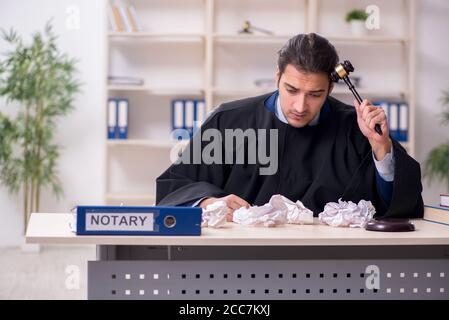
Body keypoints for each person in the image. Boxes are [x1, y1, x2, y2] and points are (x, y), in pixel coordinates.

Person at [156, 33, 424, 220]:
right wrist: (207, 203)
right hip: (238, 257)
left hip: (332, 264)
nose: (300, 105)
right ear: (277, 76)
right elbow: (174, 185)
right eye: (291, 89)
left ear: (331, 87)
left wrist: (381, 147)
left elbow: (402, 205)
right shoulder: (229, 121)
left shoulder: (355, 130)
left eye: (315, 94)